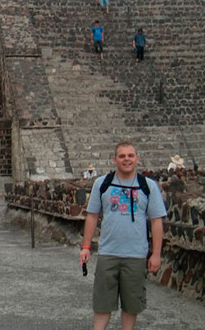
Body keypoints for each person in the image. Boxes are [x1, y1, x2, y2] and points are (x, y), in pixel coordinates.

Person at [79, 141, 167, 330]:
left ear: (137, 159)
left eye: (130, 155)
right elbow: (92, 216)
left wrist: (156, 254)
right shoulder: (102, 184)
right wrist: (86, 246)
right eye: (122, 156)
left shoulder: (148, 186)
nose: (126, 159)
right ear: (115, 160)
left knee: (131, 304)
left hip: (136, 254)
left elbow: (156, 221)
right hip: (108, 252)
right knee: (102, 303)